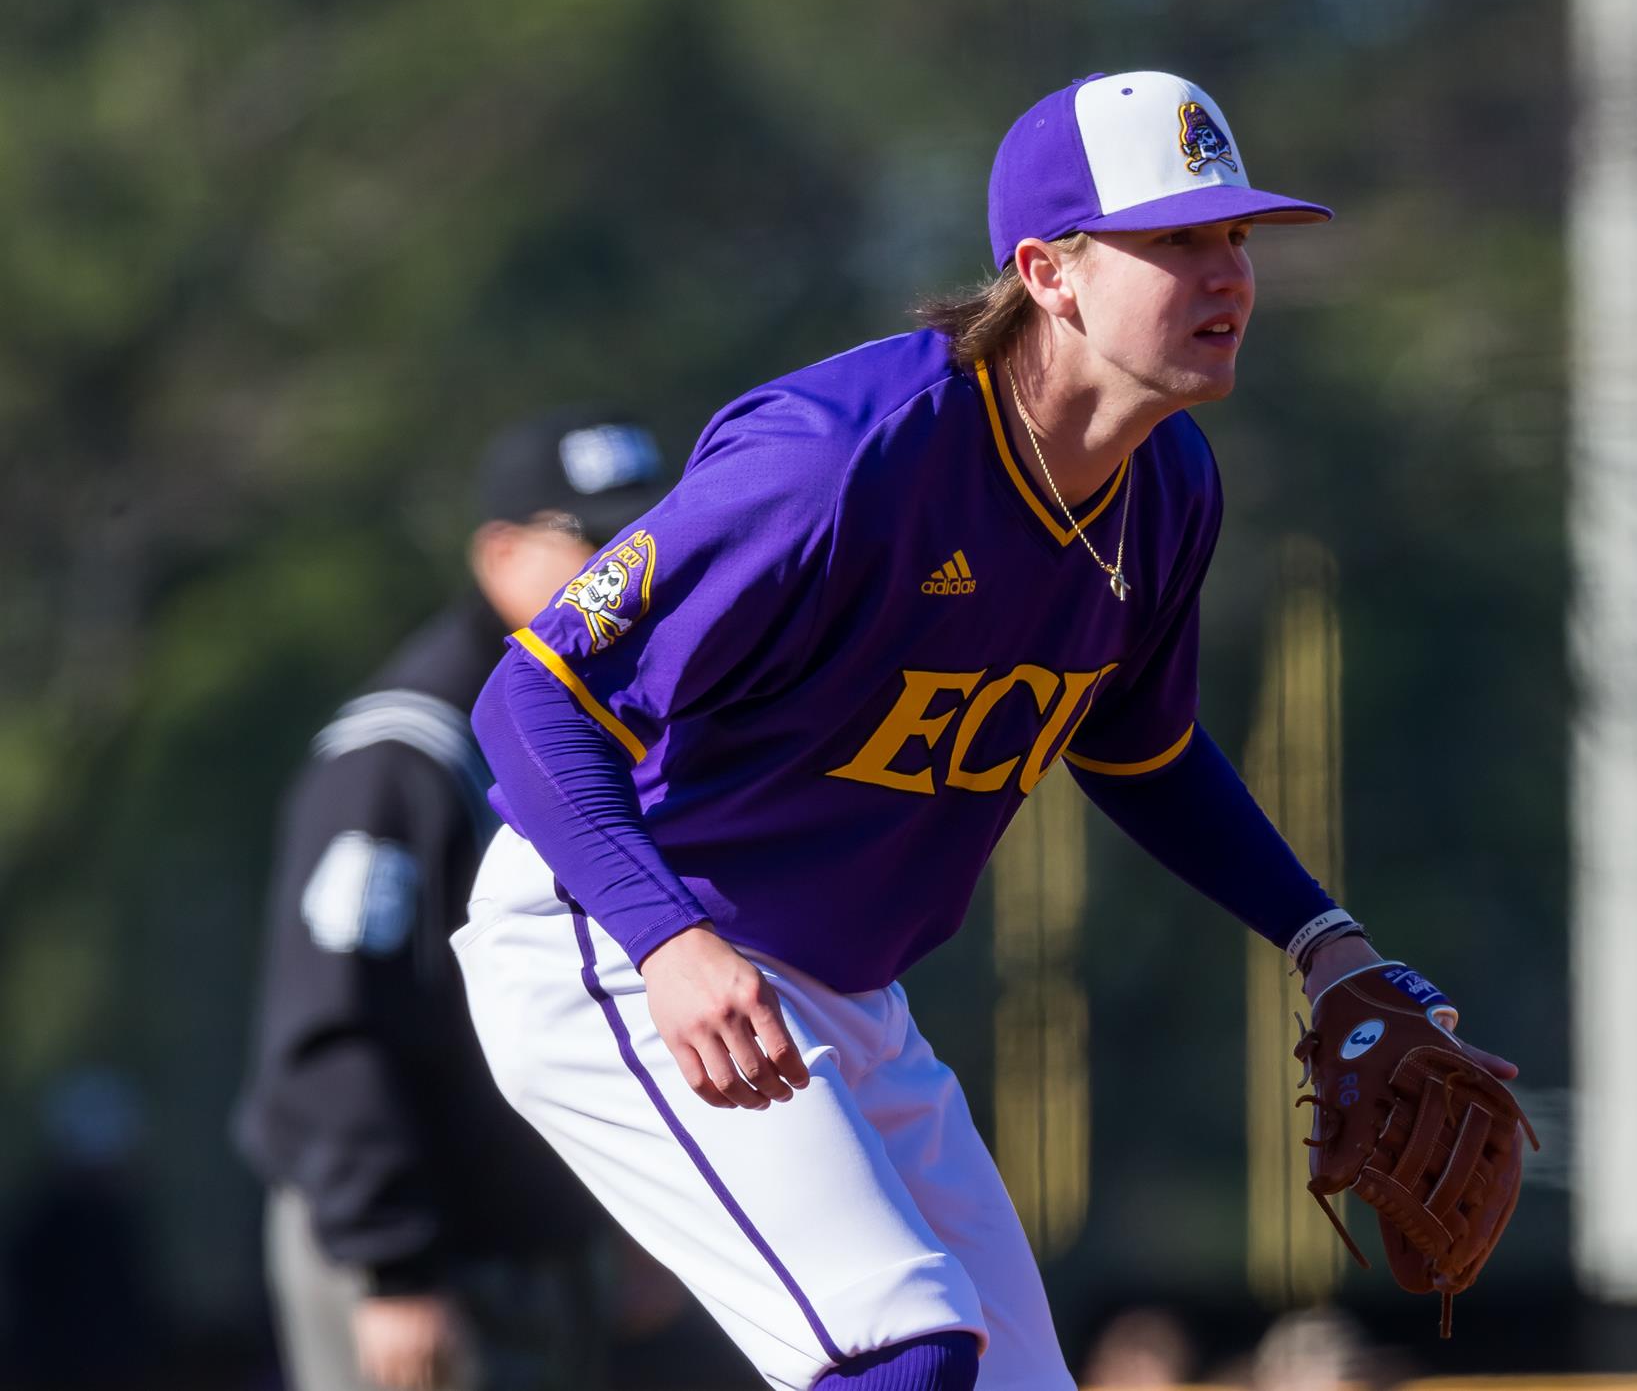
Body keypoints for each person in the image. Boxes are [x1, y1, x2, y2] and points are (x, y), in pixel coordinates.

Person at [455, 71, 1520, 1391]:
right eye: (1176, 239)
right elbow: (533, 694)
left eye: (1238, 235)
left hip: (839, 987)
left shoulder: (1166, 485)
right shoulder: (841, 458)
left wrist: (1326, 943)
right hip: (618, 933)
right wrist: (666, 941)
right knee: (901, 1347)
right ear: (1049, 271)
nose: (1228, 271)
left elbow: (1142, 748)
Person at [235, 413, 669, 1391]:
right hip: (417, 1248)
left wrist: (636, 1218)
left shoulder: (602, 722)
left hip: (540, 1239)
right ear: (501, 552)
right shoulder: (408, 750)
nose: (633, 573)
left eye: (645, 538)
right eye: (596, 544)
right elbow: (334, 1025)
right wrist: (394, 1266)